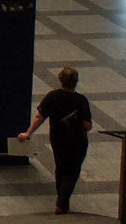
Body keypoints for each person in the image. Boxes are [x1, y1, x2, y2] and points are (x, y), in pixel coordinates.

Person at [17, 67, 93, 214]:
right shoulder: (81, 101)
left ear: (60, 79)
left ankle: (61, 199)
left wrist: (28, 133)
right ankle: (62, 201)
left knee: (61, 166)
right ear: (76, 82)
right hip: (78, 142)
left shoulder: (52, 96)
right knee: (73, 170)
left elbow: (40, 117)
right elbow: (88, 126)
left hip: (58, 140)